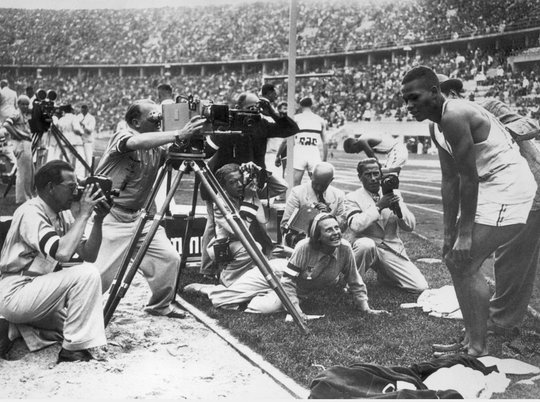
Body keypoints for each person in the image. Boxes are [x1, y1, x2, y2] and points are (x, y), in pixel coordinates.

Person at [401, 66, 536, 356]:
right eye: (405, 100)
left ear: (435, 93)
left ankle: (478, 346)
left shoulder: (454, 115)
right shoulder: (434, 124)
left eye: (414, 98)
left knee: (466, 261)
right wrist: (449, 233)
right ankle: (469, 339)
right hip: (491, 184)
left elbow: (468, 178)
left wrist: (464, 234)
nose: (409, 106)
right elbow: (449, 179)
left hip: (509, 184)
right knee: (454, 259)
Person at [436, 74, 540, 338]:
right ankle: (490, 320)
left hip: (527, 189)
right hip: (496, 193)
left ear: (455, 95)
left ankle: (501, 323)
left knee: (512, 258)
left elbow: (530, 125)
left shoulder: (487, 107)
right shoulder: (446, 124)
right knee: (475, 256)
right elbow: (454, 176)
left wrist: (501, 129)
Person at [92, 99, 205, 319]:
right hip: (111, 216)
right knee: (99, 275)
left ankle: (159, 305)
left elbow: (181, 162)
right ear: (135, 121)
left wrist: (199, 135)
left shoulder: (157, 146)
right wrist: (179, 134)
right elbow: (137, 142)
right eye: (153, 116)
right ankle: (82, 310)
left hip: (140, 217)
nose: (158, 119)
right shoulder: (122, 136)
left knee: (169, 259)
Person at [0, 160, 109, 362]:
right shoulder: (30, 211)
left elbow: (88, 254)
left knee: (78, 320)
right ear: (51, 187)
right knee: (87, 275)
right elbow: (62, 253)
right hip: (15, 290)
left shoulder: (63, 214)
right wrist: (84, 213)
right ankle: (71, 351)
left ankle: (11, 329)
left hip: (34, 291)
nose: (76, 192)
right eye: (71, 187)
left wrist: (99, 220)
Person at [186, 213, 388, 318]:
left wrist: (365, 308)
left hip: (298, 288)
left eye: (336, 228)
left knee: (264, 309)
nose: (336, 232)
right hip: (276, 273)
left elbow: (355, 280)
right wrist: (297, 312)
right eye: (329, 230)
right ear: (318, 235)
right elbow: (289, 281)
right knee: (224, 301)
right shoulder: (304, 247)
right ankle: (206, 290)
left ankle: (254, 299)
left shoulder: (344, 248)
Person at [199, 92, 299, 278]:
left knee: (254, 222)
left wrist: (273, 112)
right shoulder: (227, 123)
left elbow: (291, 129)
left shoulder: (261, 123)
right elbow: (206, 151)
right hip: (222, 183)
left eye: (257, 108)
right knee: (214, 225)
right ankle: (207, 269)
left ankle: (259, 258)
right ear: (239, 107)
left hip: (248, 183)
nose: (254, 112)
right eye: (250, 108)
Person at [344, 158, 428, 293]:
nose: (373, 178)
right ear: (360, 177)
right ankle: (351, 283)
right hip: (366, 246)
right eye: (368, 174)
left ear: (381, 174)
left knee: (420, 287)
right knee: (366, 245)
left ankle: (387, 275)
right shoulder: (351, 197)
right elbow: (356, 225)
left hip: (390, 248)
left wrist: (399, 209)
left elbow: (409, 227)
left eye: (376, 174)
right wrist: (379, 206)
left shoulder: (394, 193)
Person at [206, 162, 288, 287]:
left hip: (250, 244)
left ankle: (247, 275)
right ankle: (226, 279)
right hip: (225, 246)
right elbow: (242, 231)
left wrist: (260, 170)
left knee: (275, 256)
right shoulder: (220, 203)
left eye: (240, 180)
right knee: (251, 248)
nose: (239, 185)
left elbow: (281, 187)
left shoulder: (246, 189)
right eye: (232, 182)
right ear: (223, 187)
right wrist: (249, 199)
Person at [281, 162, 346, 238]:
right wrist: (310, 214)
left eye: (323, 185)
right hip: (303, 239)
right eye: (315, 183)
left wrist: (329, 216)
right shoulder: (297, 193)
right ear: (310, 175)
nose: (318, 188)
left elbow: (343, 227)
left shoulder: (338, 195)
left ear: (331, 180)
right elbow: (284, 226)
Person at [1, 95, 34, 204]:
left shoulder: (23, 114)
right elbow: (6, 124)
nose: (25, 106)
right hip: (20, 143)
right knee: (23, 172)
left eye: (26, 104)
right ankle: (22, 198)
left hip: (25, 143)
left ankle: (27, 195)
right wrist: (18, 135)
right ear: (18, 104)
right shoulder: (16, 113)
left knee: (28, 171)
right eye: (23, 104)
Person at [291, 97, 327, 186]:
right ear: (312, 105)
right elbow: (325, 142)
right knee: (317, 183)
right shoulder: (320, 120)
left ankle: (297, 199)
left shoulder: (296, 118)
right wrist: (324, 159)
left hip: (299, 152)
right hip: (313, 153)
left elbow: (290, 141)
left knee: (296, 183)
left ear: (300, 105)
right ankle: (316, 200)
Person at [51, 105, 86, 178]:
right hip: (75, 140)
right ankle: (80, 176)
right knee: (80, 159)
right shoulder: (74, 118)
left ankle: (66, 176)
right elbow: (77, 129)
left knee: (66, 159)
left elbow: (59, 131)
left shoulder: (61, 119)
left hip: (65, 140)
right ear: (71, 110)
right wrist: (81, 132)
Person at [344, 132, 408, 170]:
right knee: (390, 177)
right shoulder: (363, 138)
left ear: (354, 144)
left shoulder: (362, 141)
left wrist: (378, 166)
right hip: (395, 150)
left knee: (387, 175)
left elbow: (371, 156)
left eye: (354, 151)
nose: (357, 152)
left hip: (396, 150)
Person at [77, 104, 97, 169]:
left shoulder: (91, 118)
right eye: (82, 110)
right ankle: (80, 174)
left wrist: (84, 125)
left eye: (84, 110)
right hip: (79, 140)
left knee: (88, 158)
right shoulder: (78, 116)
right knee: (80, 158)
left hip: (88, 140)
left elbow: (90, 130)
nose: (83, 111)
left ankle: (89, 173)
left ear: (87, 110)